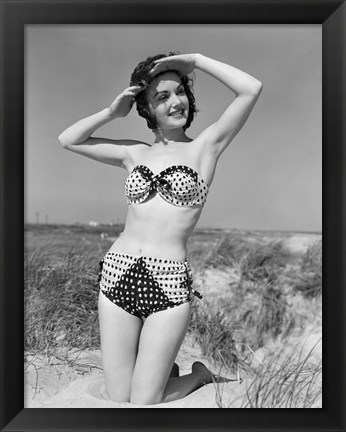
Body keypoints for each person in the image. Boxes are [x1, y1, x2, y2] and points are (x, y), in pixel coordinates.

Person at [58, 52, 262, 405]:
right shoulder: (133, 154)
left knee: (145, 401)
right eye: (162, 96)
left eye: (180, 91)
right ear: (147, 109)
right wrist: (111, 112)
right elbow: (68, 139)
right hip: (117, 273)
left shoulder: (205, 148)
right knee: (119, 396)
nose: (176, 101)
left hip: (168, 281)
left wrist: (194, 60)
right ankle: (167, 374)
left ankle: (198, 375)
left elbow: (250, 89)